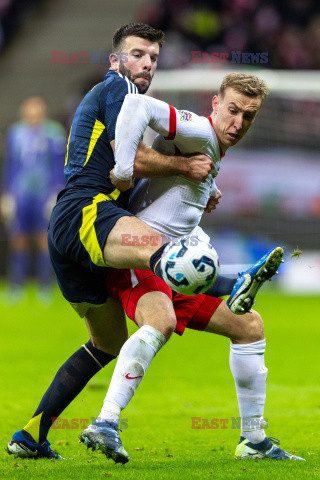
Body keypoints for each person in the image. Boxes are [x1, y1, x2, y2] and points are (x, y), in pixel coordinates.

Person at [7, 22, 213, 460]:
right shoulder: (118, 90)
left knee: (107, 344)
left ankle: (29, 436)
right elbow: (134, 158)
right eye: (137, 54)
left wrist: (190, 178)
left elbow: (132, 175)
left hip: (74, 226)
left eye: (153, 58)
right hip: (86, 210)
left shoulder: (123, 98)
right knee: (170, 253)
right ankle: (227, 287)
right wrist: (186, 168)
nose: (146, 64)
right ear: (116, 60)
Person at [79, 73, 304, 463]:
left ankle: (253, 440)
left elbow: (175, 203)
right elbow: (137, 106)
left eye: (248, 116)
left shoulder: (210, 154)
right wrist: (122, 168)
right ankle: (106, 422)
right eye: (232, 110)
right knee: (160, 321)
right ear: (215, 105)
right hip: (140, 257)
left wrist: (202, 189)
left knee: (249, 326)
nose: (238, 123)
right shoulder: (199, 131)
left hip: (174, 269)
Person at [0, 96, 66, 305]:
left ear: (42, 111)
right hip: (20, 193)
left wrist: (57, 192)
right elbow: (9, 164)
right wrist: (6, 193)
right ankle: (16, 285)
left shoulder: (54, 133)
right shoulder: (15, 133)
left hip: (43, 193)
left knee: (43, 238)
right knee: (17, 237)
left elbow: (59, 165)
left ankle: (45, 286)